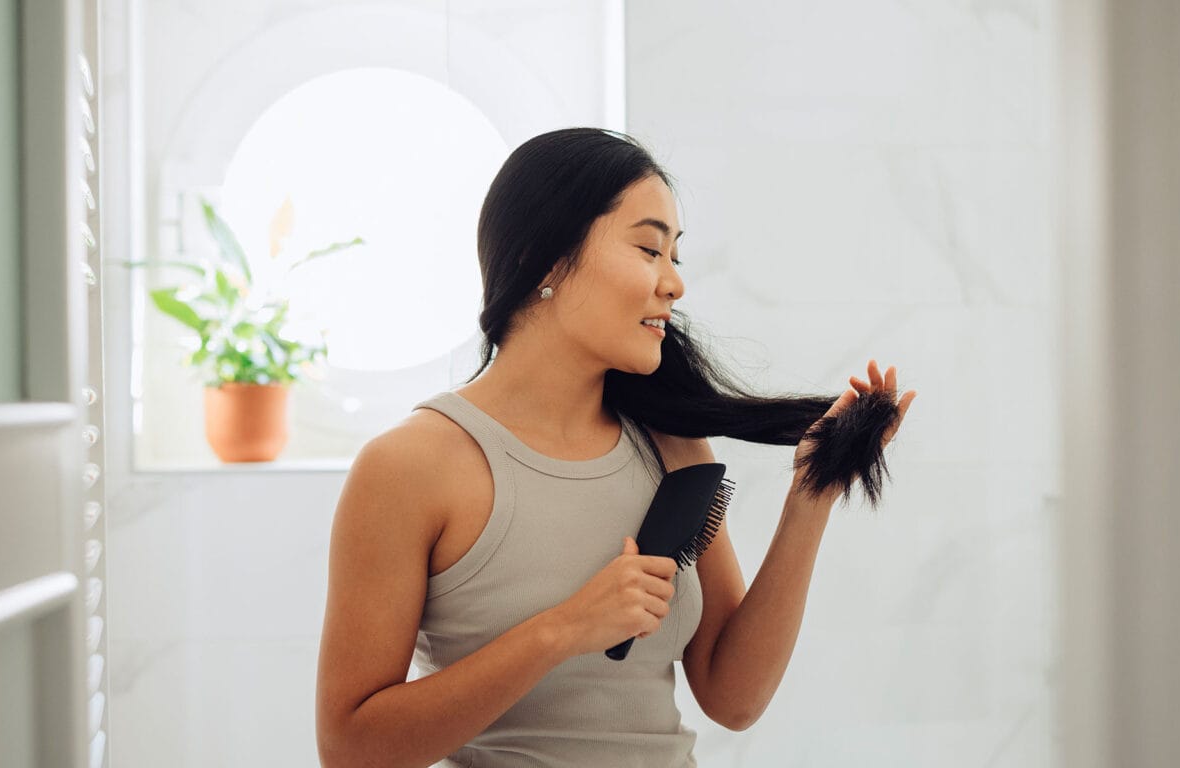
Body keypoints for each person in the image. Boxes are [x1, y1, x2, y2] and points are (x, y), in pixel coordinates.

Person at [314, 127, 916, 767]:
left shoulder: (674, 447)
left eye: (675, 256)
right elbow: (350, 751)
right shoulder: (410, 467)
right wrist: (564, 629)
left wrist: (811, 496)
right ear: (546, 260)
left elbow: (734, 698)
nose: (674, 283)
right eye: (650, 249)